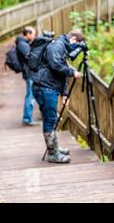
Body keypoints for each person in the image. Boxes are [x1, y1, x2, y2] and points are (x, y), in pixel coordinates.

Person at [31, 29, 84, 163]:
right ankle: (53, 154)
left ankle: (54, 148)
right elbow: (55, 65)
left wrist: (64, 93)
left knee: (52, 118)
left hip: (49, 86)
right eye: (76, 44)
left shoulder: (62, 47)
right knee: (50, 119)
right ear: (73, 40)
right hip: (45, 86)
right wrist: (72, 72)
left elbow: (61, 72)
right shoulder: (57, 46)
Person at [15, 26, 39, 126]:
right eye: (33, 34)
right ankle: (27, 119)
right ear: (28, 34)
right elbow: (30, 57)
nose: (34, 36)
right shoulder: (22, 44)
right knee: (30, 96)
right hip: (29, 73)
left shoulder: (24, 43)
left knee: (33, 94)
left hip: (30, 72)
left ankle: (29, 117)